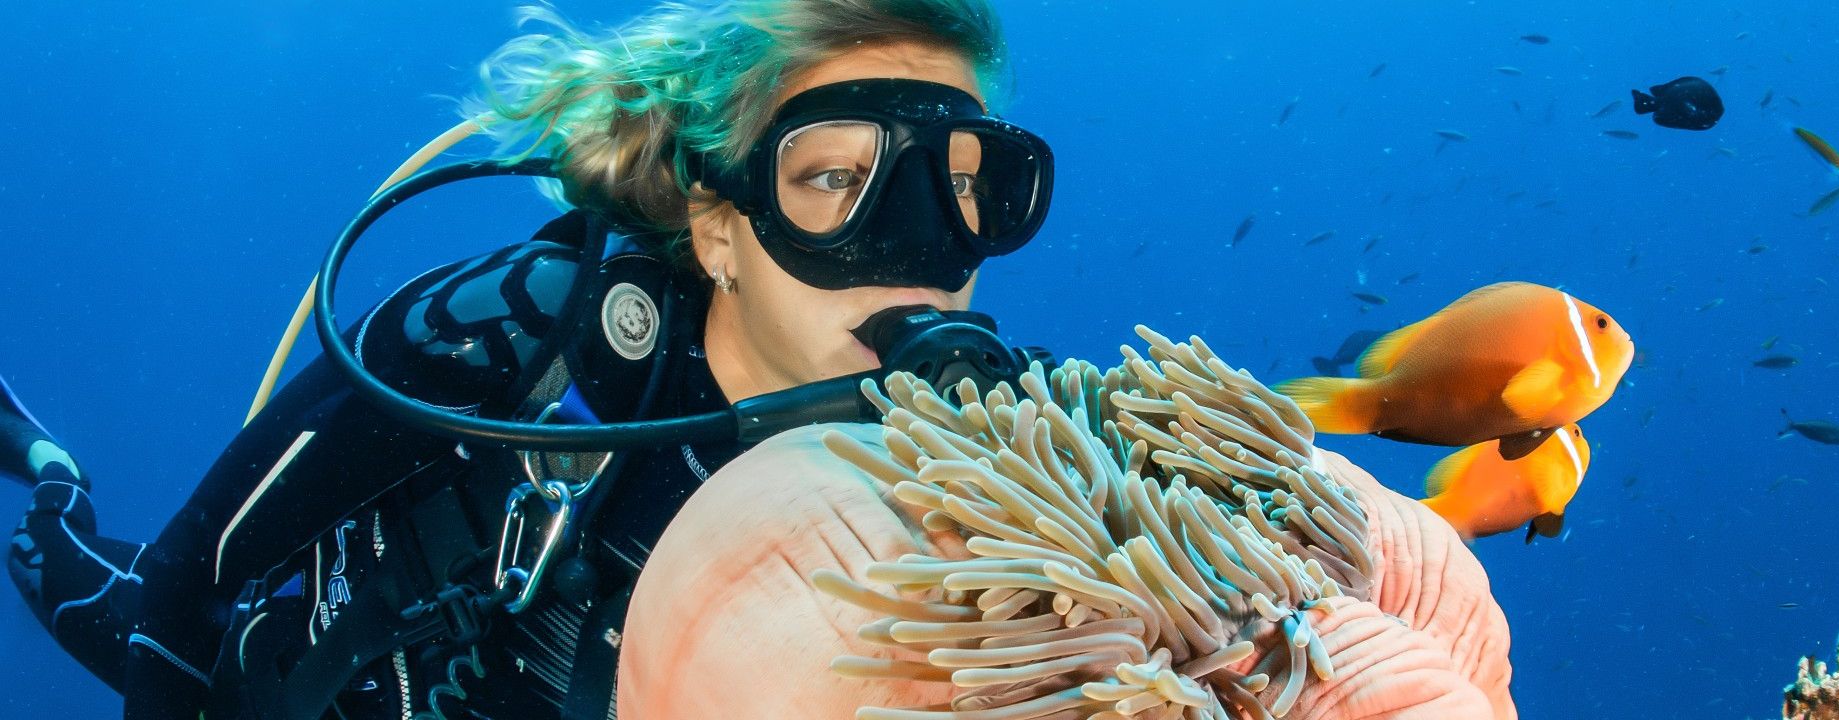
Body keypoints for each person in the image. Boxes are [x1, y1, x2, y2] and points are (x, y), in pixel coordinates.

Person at [3, 0, 1055, 717]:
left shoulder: (1004, 453)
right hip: (285, 682)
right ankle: (49, 475)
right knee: (107, 599)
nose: (924, 246)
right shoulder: (516, 336)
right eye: (832, 178)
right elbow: (195, 578)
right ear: (717, 226)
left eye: (970, 186)